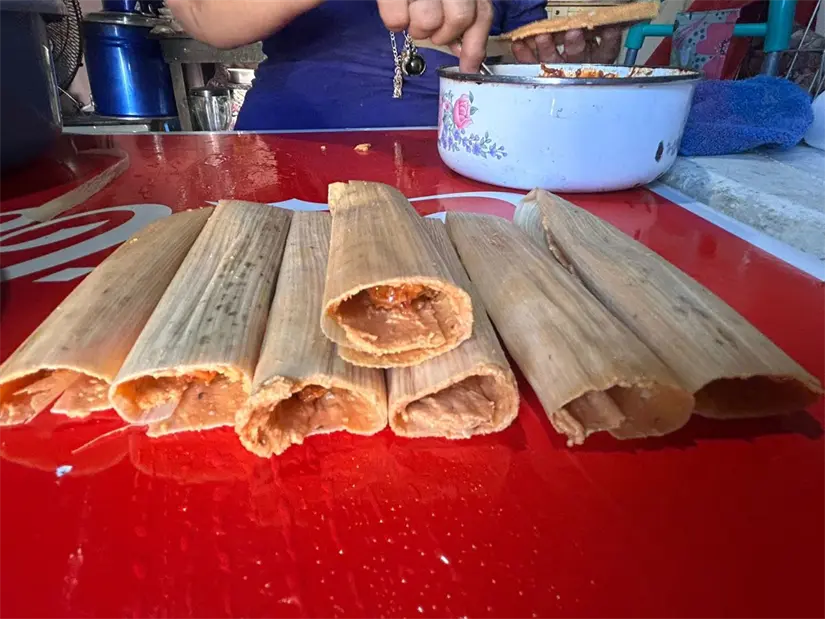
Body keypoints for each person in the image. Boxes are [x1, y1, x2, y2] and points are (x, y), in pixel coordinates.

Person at [166, 0, 623, 130]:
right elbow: (201, 13)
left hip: (457, 150)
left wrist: (574, 66)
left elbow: (528, 44)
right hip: (289, 142)